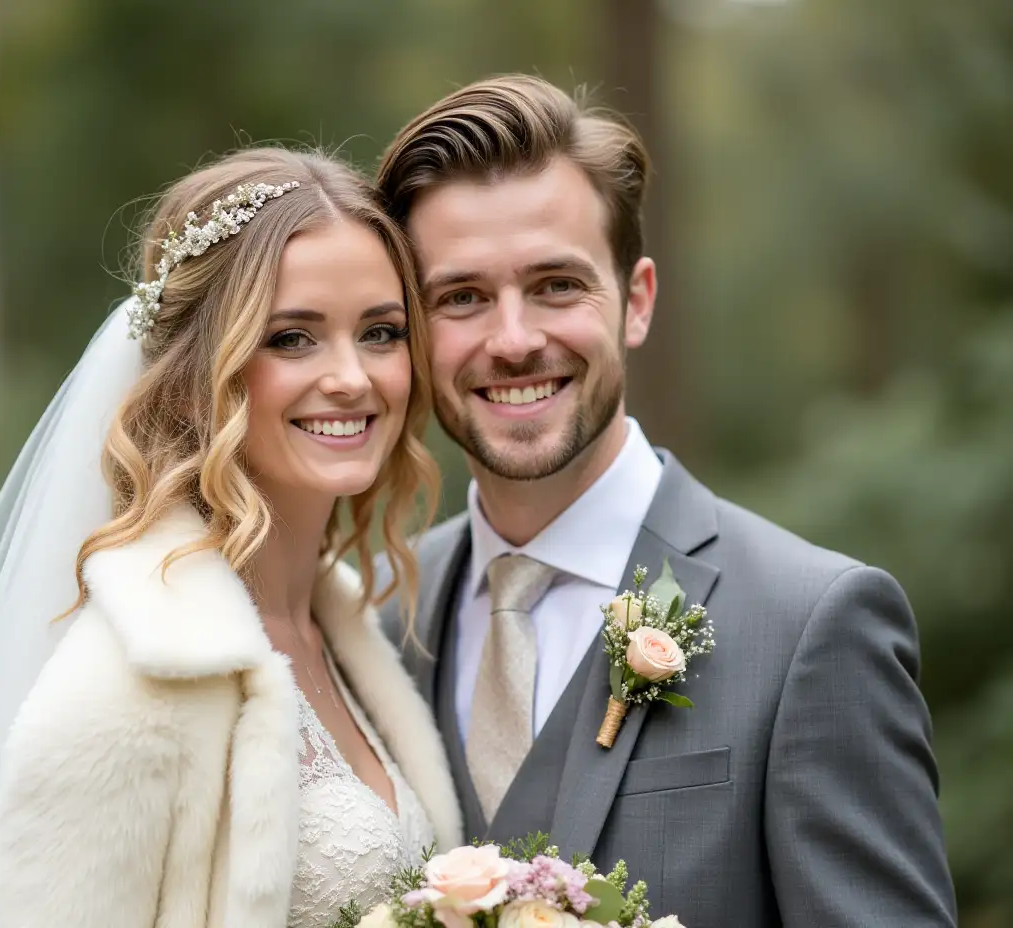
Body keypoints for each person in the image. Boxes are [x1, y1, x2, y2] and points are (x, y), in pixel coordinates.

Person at [0, 147, 461, 928]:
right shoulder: (135, 683)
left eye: (381, 332)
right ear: (200, 372)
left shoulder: (352, 629)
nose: (353, 377)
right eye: (292, 338)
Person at [374, 75, 957, 928]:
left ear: (636, 301)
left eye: (557, 286)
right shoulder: (377, 620)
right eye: (461, 298)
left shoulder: (813, 626)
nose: (513, 339)